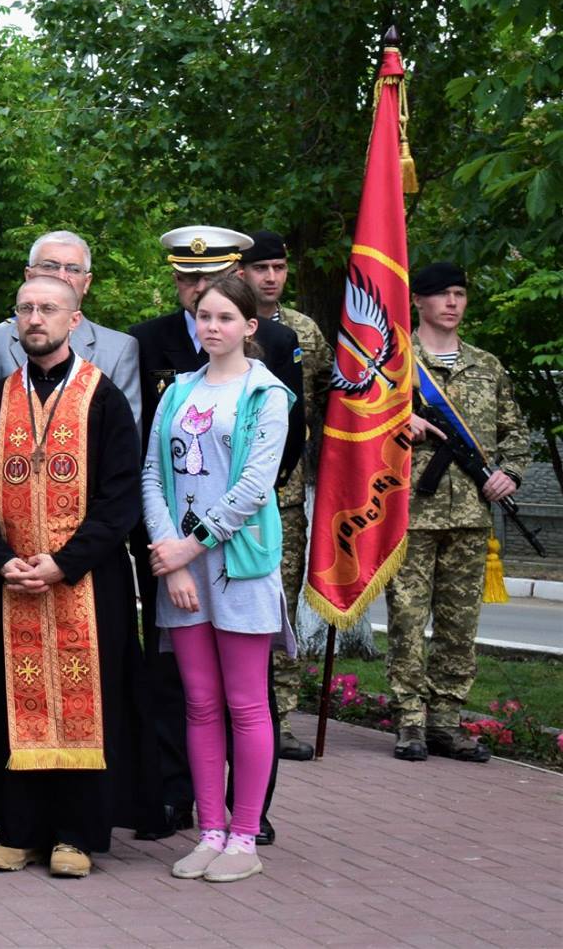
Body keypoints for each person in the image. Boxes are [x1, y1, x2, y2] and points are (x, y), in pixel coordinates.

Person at [0, 276, 152, 877]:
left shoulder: (104, 399)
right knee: (8, 697)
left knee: (90, 700)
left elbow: (120, 498)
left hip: (85, 583)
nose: (36, 318)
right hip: (7, 580)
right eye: (27, 309)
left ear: (75, 320)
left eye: (48, 309)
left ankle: (76, 835)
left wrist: (65, 562)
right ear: (15, 322)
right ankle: (20, 829)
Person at [124, 225, 301, 844]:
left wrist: (188, 546)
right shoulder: (178, 390)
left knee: (246, 704)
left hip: (239, 563)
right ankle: (209, 831)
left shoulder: (266, 392)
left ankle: (246, 834)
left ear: (251, 325)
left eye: (226, 316)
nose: (212, 327)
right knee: (198, 704)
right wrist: (170, 562)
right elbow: (153, 473)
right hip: (183, 571)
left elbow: (254, 485)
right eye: (203, 316)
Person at [388, 262, 529, 763]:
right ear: (418, 303)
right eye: (441, 294)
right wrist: (398, 421)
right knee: (406, 621)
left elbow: (516, 432)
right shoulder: (396, 367)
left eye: (459, 294)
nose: (452, 303)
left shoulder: (487, 366)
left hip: (471, 517)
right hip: (411, 513)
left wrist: (508, 473)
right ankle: (408, 722)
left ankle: (446, 720)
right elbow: (360, 429)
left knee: (458, 624)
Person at [238, 230, 332, 762]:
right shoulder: (222, 316)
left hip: (285, 494)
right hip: (221, 494)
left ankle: (278, 715)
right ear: (242, 273)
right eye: (261, 268)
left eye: (278, 267)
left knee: (279, 603)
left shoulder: (305, 331)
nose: (271, 277)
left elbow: (322, 407)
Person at [0, 230, 142, 423]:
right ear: (28, 275)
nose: (61, 276)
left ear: (86, 282)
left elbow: (125, 439)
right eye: (49, 266)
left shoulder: (119, 349)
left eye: (73, 269)